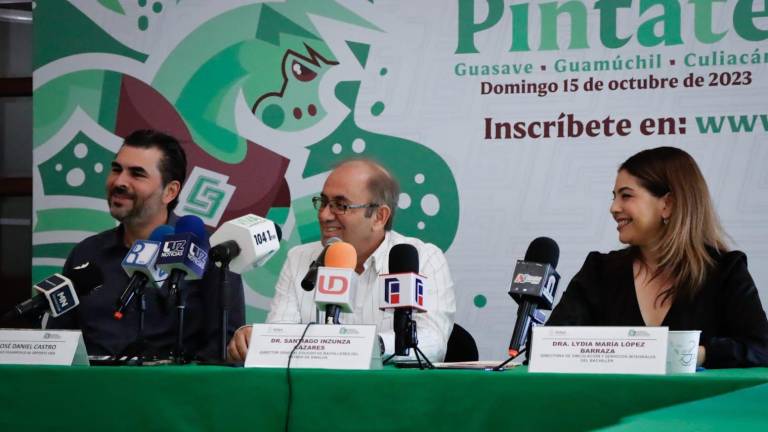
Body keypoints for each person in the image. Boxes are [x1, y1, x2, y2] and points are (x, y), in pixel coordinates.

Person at [548, 146, 768, 368]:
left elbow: (761, 349)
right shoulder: (599, 271)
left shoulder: (725, 271)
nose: (613, 208)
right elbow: (550, 346)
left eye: (626, 196)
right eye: (614, 197)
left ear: (668, 204)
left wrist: (689, 354)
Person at [227, 159, 456, 362]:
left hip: (392, 392)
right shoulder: (300, 259)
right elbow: (280, 334)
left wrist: (361, 347)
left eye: (340, 205)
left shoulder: (424, 259)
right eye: (323, 202)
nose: (324, 215)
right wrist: (256, 338)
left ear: (379, 217)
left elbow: (433, 342)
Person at [46, 129, 244, 360]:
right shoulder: (86, 252)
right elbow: (58, 343)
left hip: (173, 382)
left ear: (170, 191)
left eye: (137, 174)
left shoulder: (210, 254)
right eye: (116, 169)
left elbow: (224, 348)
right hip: (89, 381)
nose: (119, 182)